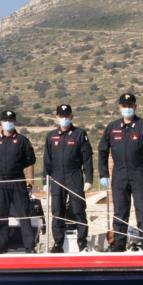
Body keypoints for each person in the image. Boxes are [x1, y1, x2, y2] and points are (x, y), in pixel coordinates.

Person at [98, 93, 143, 251]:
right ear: (119, 107)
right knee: (120, 212)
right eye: (124, 106)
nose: (127, 109)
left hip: (140, 174)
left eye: (130, 106)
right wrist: (103, 174)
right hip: (119, 175)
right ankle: (118, 245)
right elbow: (102, 151)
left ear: (135, 107)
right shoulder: (112, 128)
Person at [43, 103, 93, 252]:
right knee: (57, 211)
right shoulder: (51, 136)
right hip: (57, 176)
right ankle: (58, 243)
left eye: (67, 116)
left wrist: (89, 178)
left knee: (78, 209)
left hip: (74, 175)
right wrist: (45, 180)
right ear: (57, 117)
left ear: (71, 117)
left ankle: (82, 242)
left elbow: (87, 158)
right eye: (61, 116)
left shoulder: (79, 134)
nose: (64, 118)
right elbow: (47, 160)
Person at [0, 110, 37, 254]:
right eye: (5, 120)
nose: (8, 122)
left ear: (14, 122)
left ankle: (29, 246)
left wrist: (16, 167)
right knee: (1, 213)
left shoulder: (22, 140)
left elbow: (31, 159)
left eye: (10, 120)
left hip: (17, 180)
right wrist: (1, 168)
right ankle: (0, 245)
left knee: (24, 213)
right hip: (1, 181)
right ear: (1, 122)